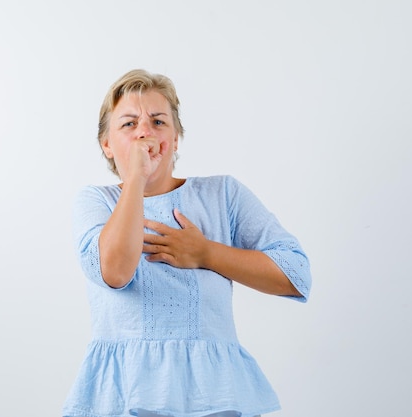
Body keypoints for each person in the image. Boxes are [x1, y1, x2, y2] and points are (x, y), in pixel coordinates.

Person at [62, 69, 311, 417]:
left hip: (214, 396)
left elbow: (296, 274)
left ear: (176, 138)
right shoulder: (95, 202)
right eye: (129, 124)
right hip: (125, 398)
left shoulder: (223, 195)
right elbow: (115, 271)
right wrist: (135, 177)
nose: (144, 132)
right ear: (107, 144)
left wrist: (206, 253)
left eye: (158, 121)